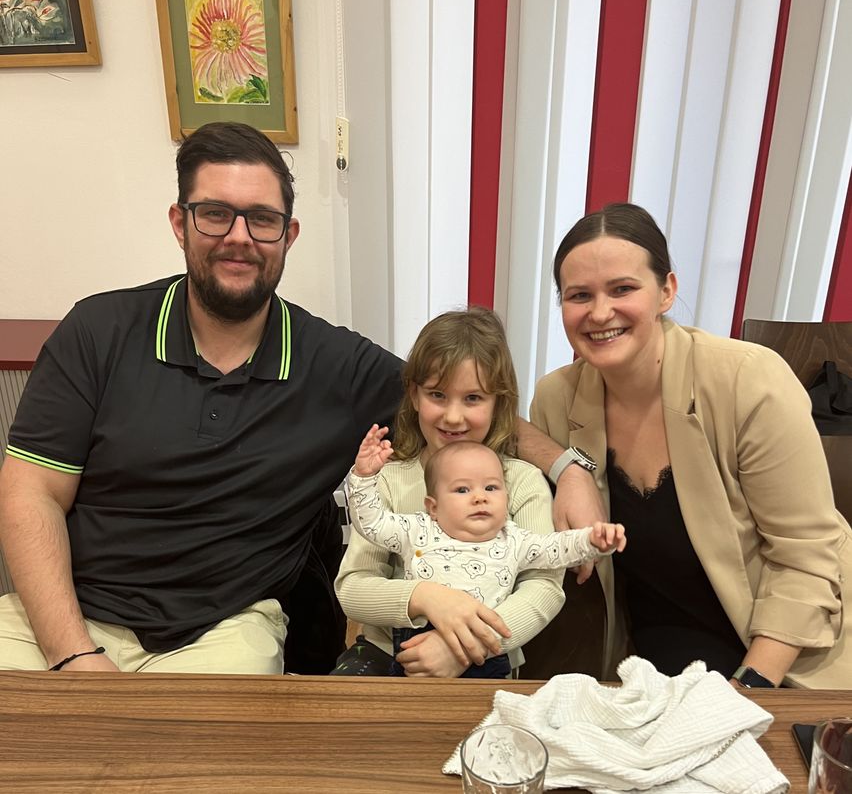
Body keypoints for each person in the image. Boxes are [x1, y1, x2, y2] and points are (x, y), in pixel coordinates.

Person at [0, 122, 404, 674]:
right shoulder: (98, 331)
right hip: (63, 617)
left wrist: (565, 466)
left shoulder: (337, 364)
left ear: (288, 235)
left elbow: (467, 403)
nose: (239, 236)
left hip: (224, 631)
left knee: (202, 757)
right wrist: (72, 653)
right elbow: (31, 495)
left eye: (262, 219)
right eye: (215, 213)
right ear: (179, 224)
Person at [530, 201, 852, 688]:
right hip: (656, 657)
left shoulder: (748, 379)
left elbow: (806, 557)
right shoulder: (557, 397)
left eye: (622, 289)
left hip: (787, 656)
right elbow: (488, 419)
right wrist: (568, 468)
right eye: (579, 295)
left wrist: (747, 690)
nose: (599, 313)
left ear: (666, 291)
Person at [334, 307, 571, 677]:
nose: (453, 417)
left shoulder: (523, 483)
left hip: (486, 657)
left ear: (499, 402)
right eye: (438, 395)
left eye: (473, 398)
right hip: (384, 654)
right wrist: (424, 598)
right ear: (414, 396)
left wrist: (464, 646)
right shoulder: (389, 481)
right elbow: (353, 587)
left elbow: (543, 587)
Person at [346, 427, 626, 677]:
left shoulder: (515, 539)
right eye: (462, 489)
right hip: (414, 648)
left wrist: (593, 540)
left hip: (485, 657)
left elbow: (556, 549)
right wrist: (363, 478)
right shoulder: (416, 528)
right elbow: (372, 524)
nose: (480, 497)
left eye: (491, 487)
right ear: (433, 506)